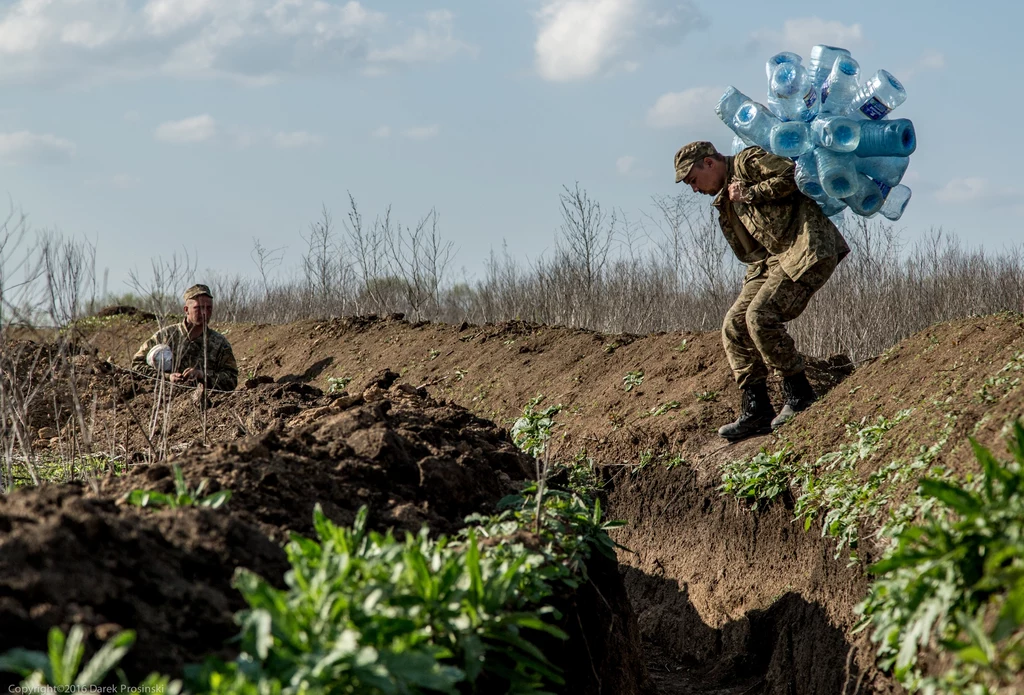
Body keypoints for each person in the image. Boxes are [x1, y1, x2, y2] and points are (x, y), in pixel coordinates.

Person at [673, 141, 850, 441]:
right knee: (734, 323)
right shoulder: (726, 200)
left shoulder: (747, 162)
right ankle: (756, 410)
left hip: (807, 248)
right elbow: (756, 252)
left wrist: (752, 193)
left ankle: (799, 394)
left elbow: (793, 174)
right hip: (772, 263)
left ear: (709, 163)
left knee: (760, 315)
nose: (694, 189)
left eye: (693, 179)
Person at [131, 284, 238, 392]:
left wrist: (203, 376)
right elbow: (136, 366)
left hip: (206, 405)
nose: (205, 313)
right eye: (199, 308)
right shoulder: (165, 336)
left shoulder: (219, 344)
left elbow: (232, 380)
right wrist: (167, 377)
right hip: (165, 403)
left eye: (209, 308)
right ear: (186, 310)